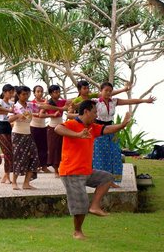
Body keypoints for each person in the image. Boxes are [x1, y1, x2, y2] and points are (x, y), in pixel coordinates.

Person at [54, 100, 131, 240]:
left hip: (86, 171)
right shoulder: (72, 124)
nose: (96, 115)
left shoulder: (92, 127)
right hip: (71, 172)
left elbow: (106, 129)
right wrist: (77, 135)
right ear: (86, 112)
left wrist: (122, 125)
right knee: (81, 203)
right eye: (95, 112)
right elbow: (57, 129)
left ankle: (95, 206)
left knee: (106, 177)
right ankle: (77, 231)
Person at [93, 82, 156, 185]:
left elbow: (130, 101)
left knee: (116, 155)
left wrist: (145, 100)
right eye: (106, 90)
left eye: (110, 91)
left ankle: (113, 180)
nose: (108, 93)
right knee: (100, 156)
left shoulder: (114, 101)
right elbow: (82, 108)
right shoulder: (94, 102)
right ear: (101, 91)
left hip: (112, 129)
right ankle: (101, 181)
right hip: (99, 131)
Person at [8, 86, 39, 190]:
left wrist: (62, 108)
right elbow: (8, 119)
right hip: (17, 134)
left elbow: (42, 106)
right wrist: (17, 116)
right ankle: (14, 182)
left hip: (28, 134)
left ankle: (26, 183)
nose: (26, 96)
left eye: (27, 94)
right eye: (23, 94)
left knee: (34, 157)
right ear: (18, 95)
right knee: (18, 157)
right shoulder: (14, 106)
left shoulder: (30, 105)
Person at [0, 84, 14, 183]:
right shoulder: (0, 101)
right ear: (4, 92)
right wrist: (8, 111)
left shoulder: (11, 103)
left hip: (9, 127)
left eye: (12, 92)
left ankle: (6, 175)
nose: (11, 94)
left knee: (10, 152)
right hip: (1, 127)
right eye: (9, 92)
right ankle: (7, 175)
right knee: (7, 153)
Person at [30, 85, 50, 173]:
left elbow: (47, 111)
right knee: (35, 147)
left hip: (43, 126)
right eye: (38, 91)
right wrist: (38, 113)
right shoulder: (31, 103)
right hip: (33, 126)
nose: (40, 93)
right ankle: (35, 166)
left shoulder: (45, 102)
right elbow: (29, 113)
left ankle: (44, 166)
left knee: (44, 147)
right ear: (34, 93)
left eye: (41, 91)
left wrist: (44, 106)